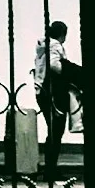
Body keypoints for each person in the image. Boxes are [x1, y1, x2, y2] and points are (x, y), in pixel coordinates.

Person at [33, 21, 74, 158]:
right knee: (57, 129)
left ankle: (50, 165)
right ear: (62, 34)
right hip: (52, 93)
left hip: (41, 92)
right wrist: (68, 71)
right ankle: (51, 167)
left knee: (53, 129)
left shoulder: (43, 46)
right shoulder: (54, 45)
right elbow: (54, 65)